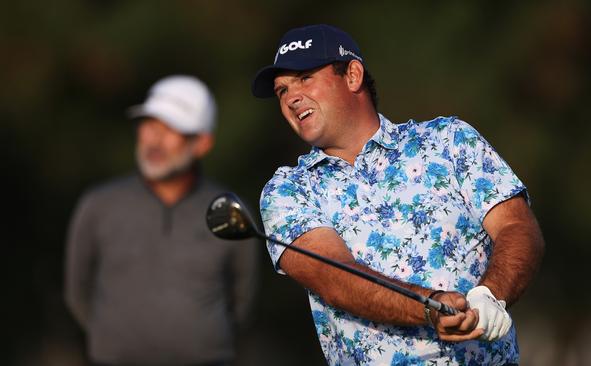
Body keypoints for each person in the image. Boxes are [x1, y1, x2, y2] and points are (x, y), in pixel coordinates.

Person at [251, 24, 544, 365]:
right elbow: (335, 277)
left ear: (352, 75)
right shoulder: (288, 190)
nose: (291, 97)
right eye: (282, 90)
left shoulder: (448, 140)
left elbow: (517, 227)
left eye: (304, 78)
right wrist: (430, 306)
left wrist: (490, 294)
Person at [65, 75, 258, 366]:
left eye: (171, 130)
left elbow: (242, 298)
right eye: (149, 125)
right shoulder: (98, 205)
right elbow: (77, 291)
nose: (154, 140)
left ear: (202, 143)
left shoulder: (229, 209)